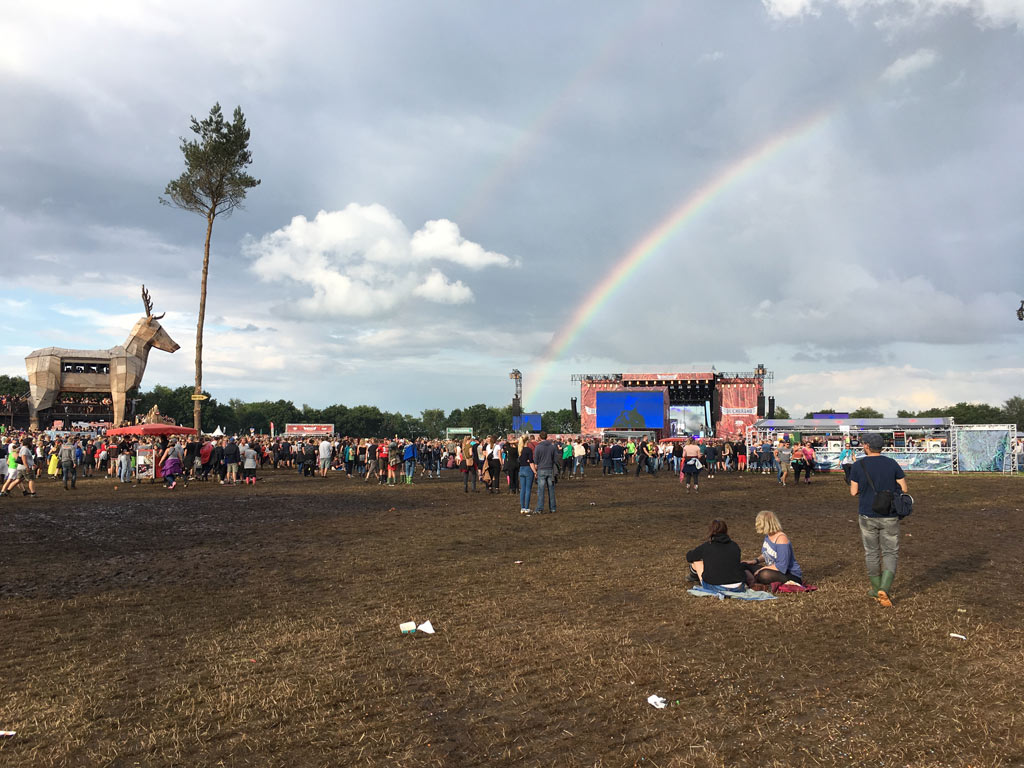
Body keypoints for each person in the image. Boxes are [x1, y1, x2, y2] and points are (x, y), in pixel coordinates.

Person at [849, 432, 908, 607]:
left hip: (867, 514)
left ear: (866, 446)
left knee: (872, 552)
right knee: (890, 552)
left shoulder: (859, 465)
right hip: (889, 514)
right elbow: (904, 487)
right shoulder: (891, 463)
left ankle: (876, 589)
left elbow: (853, 492)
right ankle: (885, 587)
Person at [742, 510, 803, 586]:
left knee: (763, 574)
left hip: (789, 574)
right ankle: (752, 581)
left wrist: (762, 569)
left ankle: (754, 581)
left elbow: (782, 566)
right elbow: (767, 554)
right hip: (772, 569)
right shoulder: (768, 536)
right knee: (743, 565)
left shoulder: (781, 539)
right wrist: (755, 561)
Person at [685, 519, 746, 591]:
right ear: (726, 530)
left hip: (716, 586)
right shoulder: (734, 545)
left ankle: (694, 575)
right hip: (738, 586)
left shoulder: (707, 546)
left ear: (710, 531)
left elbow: (689, 556)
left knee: (696, 561)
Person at [531, 431, 557, 514]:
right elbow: (555, 459)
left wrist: (535, 471)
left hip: (541, 469)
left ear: (539, 437)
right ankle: (552, 508)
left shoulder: (538, 447)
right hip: (550, 469)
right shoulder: (552, 446)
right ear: (546, 437)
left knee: (541, 490)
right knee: (551, 490)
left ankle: (540, 508)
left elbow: (535, 461)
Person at [517, 435, 534, 515]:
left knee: (522, 489)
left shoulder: (520, 450)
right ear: (528, 441)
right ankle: (527, 508)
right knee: (528, 490)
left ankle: (522, 508)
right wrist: (535, 471)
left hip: (521, 469)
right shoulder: (529, 450)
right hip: (528, 469)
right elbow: (531, 462)